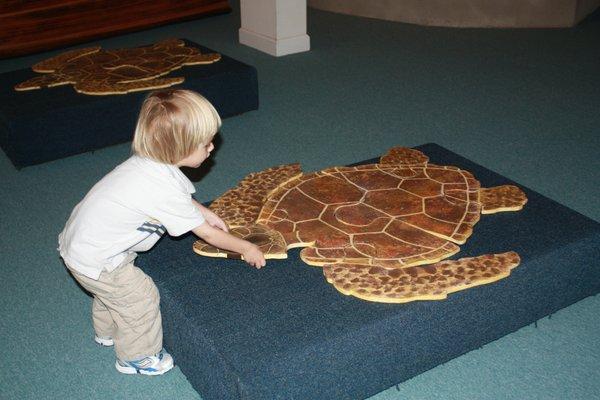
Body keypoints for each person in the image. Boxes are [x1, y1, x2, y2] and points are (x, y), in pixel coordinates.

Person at [58, 89, 265, 376]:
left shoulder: (148, 165)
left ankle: (106, 331)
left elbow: (179, 198)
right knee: (138, 297)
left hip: (84, 243)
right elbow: (209, 236)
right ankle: (137, 357)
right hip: (98, 256)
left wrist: (202, 211)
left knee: (110, 293)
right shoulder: (160, 189)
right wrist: (246, 248)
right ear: (179, 149)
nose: (212, 148)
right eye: (205, 144)